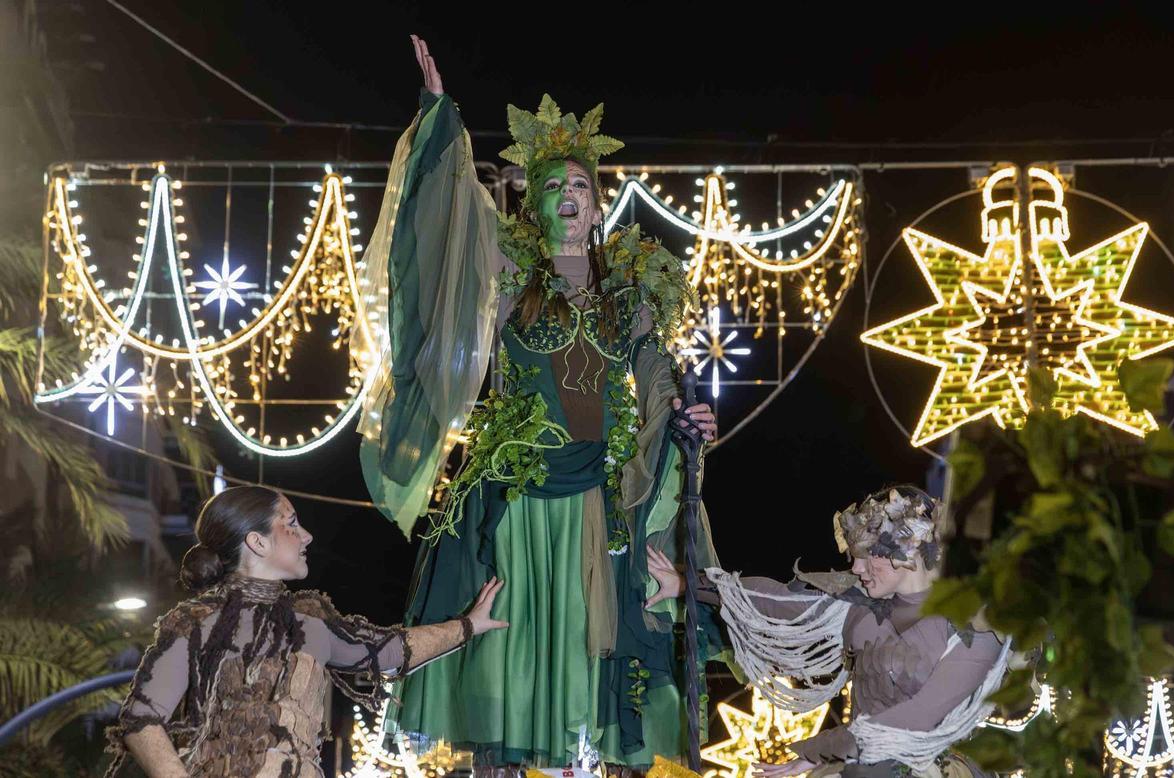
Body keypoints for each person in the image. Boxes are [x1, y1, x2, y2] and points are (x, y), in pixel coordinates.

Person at [353, 35, 723, 769]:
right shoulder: (506, 270)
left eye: (580, 187)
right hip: (521, 487)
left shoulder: (629, 291)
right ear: (533, 198)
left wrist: (684, 412)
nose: (569, 198)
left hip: (601, 491)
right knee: (514, 632)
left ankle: (583, 757)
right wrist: (438, 119)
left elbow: (653, 375)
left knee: (598, 630)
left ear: (597, 205)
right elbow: (444, 217)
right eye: (554, 187)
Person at [103, 485, 506, 778]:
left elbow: (390, 653)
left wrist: (469, 625)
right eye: (291, 524)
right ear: (257, 542)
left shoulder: (310, 624)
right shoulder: (195, 625)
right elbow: (140, 719)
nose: (307, 536)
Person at [646, 486, 1010, 778]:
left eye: (868, 555)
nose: (856, 566)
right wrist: (684, 583)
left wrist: (820, 750)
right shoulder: (859, 605)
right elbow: (773, 600)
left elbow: (917, 717)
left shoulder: (974, 624)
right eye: (855, 555)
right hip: (856, 764)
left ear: (909, 550)